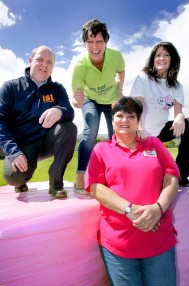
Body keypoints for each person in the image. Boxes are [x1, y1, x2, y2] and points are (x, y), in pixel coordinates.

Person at [85, 96, 180, 286]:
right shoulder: (101, 150)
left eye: (131, 116)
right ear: (112, 121)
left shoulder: (154, 144)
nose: (125, 120)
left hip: (159, 243)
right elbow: (95, 188)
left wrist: (158, 209)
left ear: (138, 121)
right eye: (119, 115)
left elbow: (172, 178)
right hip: (118, 247)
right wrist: (130, 210)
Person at [0, 45, 77, 198]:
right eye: (40, 60)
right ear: (30, 61)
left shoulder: (57, 89)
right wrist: (14, 152)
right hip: (23, 145)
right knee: (14, 177)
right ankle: (21, 182)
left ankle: (55, 184)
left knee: (69, 128)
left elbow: (70, 111)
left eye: (50, 62)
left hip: (47, 141)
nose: (45, 65)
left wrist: (59, 111)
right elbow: (1, 121)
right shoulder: (11, 87)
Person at [130, 41, 189, 187]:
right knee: (150, 177)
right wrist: (139, 127)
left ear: (172, 59)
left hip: (161, 131)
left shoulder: (177, 86)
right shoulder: (143, 77)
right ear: (153, 59)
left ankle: (181, 175)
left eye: (166, 55)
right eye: (158, 55)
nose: (162, 58)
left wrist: (180, 117)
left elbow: (178, 110)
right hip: (141, 133)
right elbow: (137, 105)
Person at [71, 19, 125, 194]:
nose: (95, 46)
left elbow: (121, 70)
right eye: (90, 42)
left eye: (99, 41)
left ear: (106, 42)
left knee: (115, 135)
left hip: (111, 100)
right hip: (91, 100)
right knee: (91, 129)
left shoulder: (115, 56)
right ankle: (81, 174)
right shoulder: (80, 66)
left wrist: (120, 89)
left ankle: (115, 176)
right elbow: (76, 102)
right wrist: (77, 101)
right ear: (85, 43)